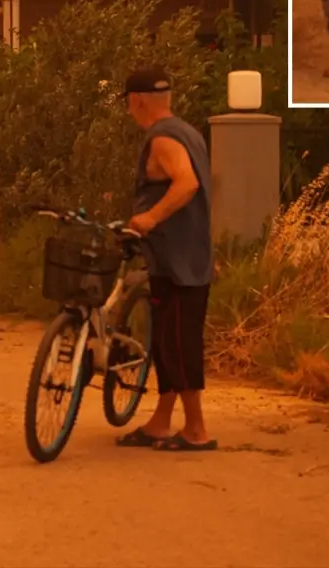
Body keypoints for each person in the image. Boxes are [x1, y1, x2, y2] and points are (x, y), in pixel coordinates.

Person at [114, 67, 216, 452]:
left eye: (128, 103)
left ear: (137, 100)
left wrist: (149, 218)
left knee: (177, 343)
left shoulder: (161, 139)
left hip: (177, 260)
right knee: (169, 341)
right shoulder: (188, 132)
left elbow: (187, 183)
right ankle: (161, 422)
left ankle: (196, 430)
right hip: (188, 254)